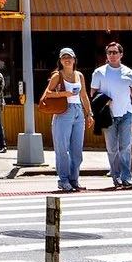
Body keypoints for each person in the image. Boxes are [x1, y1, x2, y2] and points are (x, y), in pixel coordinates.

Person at [91, 39, 132, 191]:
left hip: (126, 113)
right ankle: (116, 176)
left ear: (121, 54)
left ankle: (126, 178)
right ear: (106, 55)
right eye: (109, 53)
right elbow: (93, 93)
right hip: (108, 114)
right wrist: (103, 100)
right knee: (112, 148)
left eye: (115, 52)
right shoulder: (99, 72)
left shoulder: (129, 73)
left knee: (125, 147)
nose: (112, 55)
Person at [44, 48, 88, 193]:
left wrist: (89, 113)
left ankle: (74, 179)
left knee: (77, 149)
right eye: (64, 57)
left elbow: (84, 95)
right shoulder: (58, 75)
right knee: (62, 148)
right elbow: (47, 94)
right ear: (60, 61)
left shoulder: (79, 75)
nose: (67, 60)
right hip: (64, 111)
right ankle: (63, 180)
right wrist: (64, 94)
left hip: (78, 111)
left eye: (69, 57)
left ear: (74, 60)